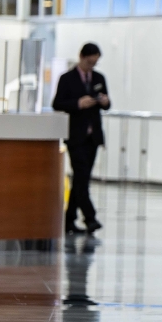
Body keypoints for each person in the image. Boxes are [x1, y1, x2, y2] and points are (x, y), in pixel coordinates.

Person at [52, 43, 111, 234]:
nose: (91, 66)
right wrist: (78, 103)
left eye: (95, 63)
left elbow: (107, 103)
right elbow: (57, 103)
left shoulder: (99, 78)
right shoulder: (67, 78)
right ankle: (90, 217)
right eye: (89, 62)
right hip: (76, 136)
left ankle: (69, 219)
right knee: (82, 176)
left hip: (92, 136)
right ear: (82, 57)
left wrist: (105, 102)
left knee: (80, 178)